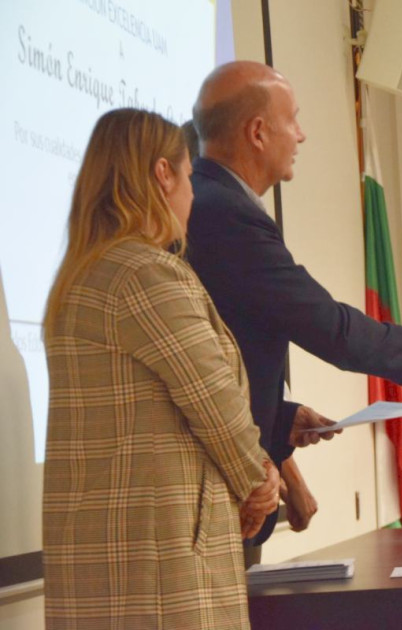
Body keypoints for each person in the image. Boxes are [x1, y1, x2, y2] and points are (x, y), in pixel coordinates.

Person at [186, 61, 402, 559]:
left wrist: (280, 415)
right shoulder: (223, 212)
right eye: (294, 119)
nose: (302, 135)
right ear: (258, 132)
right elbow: (331, 328)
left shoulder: (213, 201)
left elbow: (230, 352)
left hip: (232, 493)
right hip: (216, 502)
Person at [42, 108, 279, 629]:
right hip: (161, 566)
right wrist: (260, 482)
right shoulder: (145, 272)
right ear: (162, 174)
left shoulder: (81, 276)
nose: (192, 197)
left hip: (105, 561)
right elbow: (215, 400)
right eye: (190, 177)